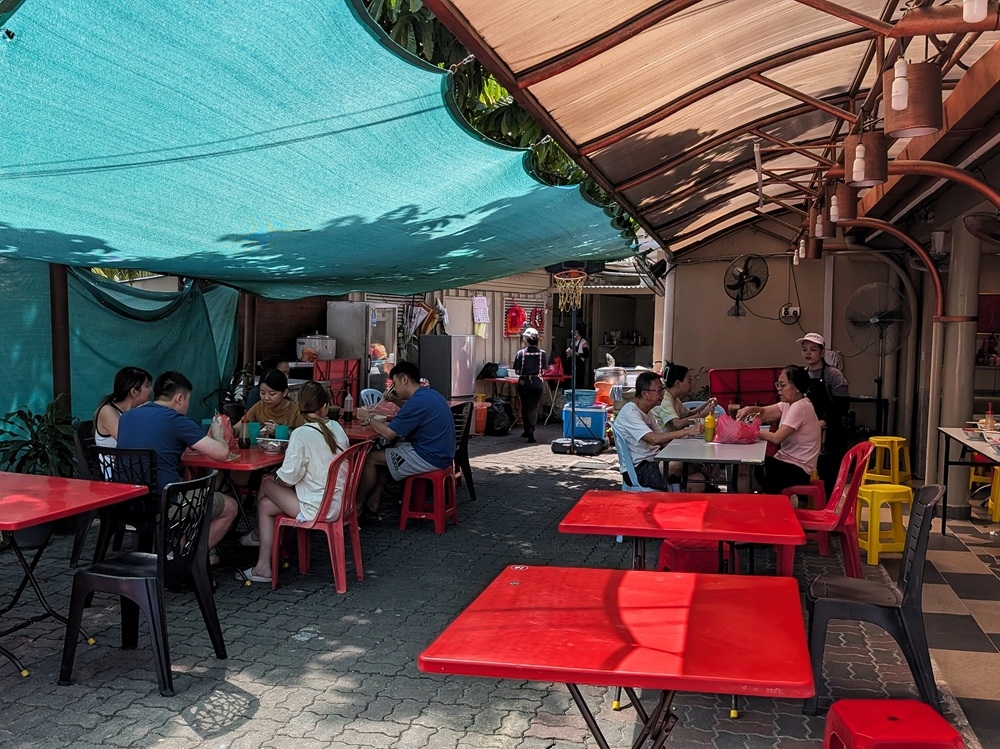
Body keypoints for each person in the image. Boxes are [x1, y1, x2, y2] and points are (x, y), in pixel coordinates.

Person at [117, 371, 238, 556]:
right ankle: (184, 557)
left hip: (127, 500)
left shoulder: (127, 416)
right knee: (230, 506)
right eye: (188, 399)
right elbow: (222, 453)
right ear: (179, 398)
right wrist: (218, 433)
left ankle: (178, 548)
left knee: (185, 484)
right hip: (164, 501)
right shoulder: (176, 420)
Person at [239, 381, 350, 583]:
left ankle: (263, 550)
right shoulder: (336, 427)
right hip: (339, 502)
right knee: (265, 504)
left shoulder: (301, 434)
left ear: (300, 406)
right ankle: (264, 561)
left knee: (266, 482)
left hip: (317, 507)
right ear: (325, 406)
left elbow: (289, 479)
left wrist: (274, 477)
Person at [355, 361, 455, 521]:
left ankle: (356, 507)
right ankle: (373, 502)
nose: (393, 388)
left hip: (429, 455)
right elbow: (411, 410)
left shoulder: (417, 402)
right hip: (442, 452)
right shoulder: (429, 394)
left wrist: (367, 417)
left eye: (394, 384)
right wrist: (395, 400)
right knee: (387, 454)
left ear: (405, 380)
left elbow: (388, 434)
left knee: (372, 458)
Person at [736, 364, 821, 494]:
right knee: (747, 468)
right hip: (786, 461)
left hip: (798, 469)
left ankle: (758, 505)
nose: (779, 390)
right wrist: (750, 409)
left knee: (749, 471)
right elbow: (764, 412)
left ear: (797, 387)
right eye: (778, 385)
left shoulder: (800, 406)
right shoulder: (789, 403)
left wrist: (751, 431)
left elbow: (777, 438)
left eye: (783, 385)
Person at [613, 371, 700, 490]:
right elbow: (654, 439)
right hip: (638, 469)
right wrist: (687, 432)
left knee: (699, 478)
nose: (662, 394)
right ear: (645, 394)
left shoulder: (648, 412)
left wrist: (689, 445)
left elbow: (662, 440)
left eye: (662, 389)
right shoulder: (630, 413)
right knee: (679, 464)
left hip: (655, 461)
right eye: (659, 390)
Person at [650, 362, 720, 489]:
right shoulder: (665, 400)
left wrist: (706, 404)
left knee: (703, 457)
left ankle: (706, 480)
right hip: (667, 447)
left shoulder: (674, 399)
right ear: (677, 383)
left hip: (676, 444)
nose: (691, 385)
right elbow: (677, 423)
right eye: (688, 381)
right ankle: (705, 479)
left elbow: (688, 414)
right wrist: (702, 415)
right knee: (701, 461)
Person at [797, 333, 850, 495]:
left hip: (832, 432)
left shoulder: (833, 375)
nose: (808, 353)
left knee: (828, 473)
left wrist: (824, 422)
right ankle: (806, 504)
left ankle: (828, 508)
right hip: (808, 432)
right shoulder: (802, 375)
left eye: (813, 349)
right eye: (805, 349)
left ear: (822, 352)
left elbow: (842, 406)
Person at [93, 366, 153, 448]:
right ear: (134, 392)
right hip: (115, 461)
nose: (151, 390)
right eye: (147, 386)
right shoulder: (107, 411)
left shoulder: (138, 410)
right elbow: (128, 441)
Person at [242, 368, 305, 437]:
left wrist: (280, 431)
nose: (266, 398)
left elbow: (303, 436)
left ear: (284, 393)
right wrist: (233, 430)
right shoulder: (259, 406)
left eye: (272, 394)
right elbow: (243, 424)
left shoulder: (296, 410)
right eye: (262, 393)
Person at [513, 327, 547, 443]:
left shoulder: (520, 353)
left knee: (525, 406)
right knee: (533, 407)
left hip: (524, 383)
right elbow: (544, 370)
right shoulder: (542, 354)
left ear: (526, 340)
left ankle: (527, 430)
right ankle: (531, 431)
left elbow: (517, 371)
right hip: (537, 383)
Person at [565, 324, 589, 389]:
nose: (573, 333)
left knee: (578, 383)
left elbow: (586, 355)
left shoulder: (583, 343)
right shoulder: (573, 342)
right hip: (572, 365)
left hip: (579, 366)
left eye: (575, 332)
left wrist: (576, 353)